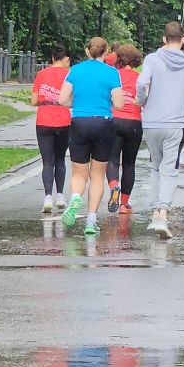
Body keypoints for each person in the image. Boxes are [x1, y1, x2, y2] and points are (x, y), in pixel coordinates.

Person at [136, 21, 184, 240]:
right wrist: (181, 107)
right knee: (170, 168)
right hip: (175, 124)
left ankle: (155, 210)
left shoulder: (152, 59)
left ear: (164, 38)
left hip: (151, 123)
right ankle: (162, 213)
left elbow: (141, 83)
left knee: (156, 167)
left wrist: (144, 102)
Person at [57, 37, 124, 233]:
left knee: (79, 172)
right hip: (103, 122)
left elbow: (62, 99)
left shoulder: (75, 71)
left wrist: (75, 105)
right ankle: (91, 220)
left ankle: (76, 196)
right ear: (106, 53)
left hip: (79, 121)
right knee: (97, 174)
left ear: (87, 51)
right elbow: (119, 104)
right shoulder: (112, 73)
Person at [104, 43, 144, 217]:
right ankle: (124, 204)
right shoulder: (140, 78)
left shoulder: (113, 75)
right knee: (129, 163)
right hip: (134, 122)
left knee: (112, 160)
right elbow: (145, 100)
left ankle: (114, 187)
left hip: (114, 120)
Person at [31, 47, 73, 214]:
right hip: (63, 118)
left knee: (47, 161)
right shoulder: (68, 75)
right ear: (65, 59)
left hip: (44, 119)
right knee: (60, 159)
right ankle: (61, 196)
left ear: (52, 57)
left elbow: (34, 100)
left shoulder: (42, 74)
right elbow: (72, 99)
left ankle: (48, 196)